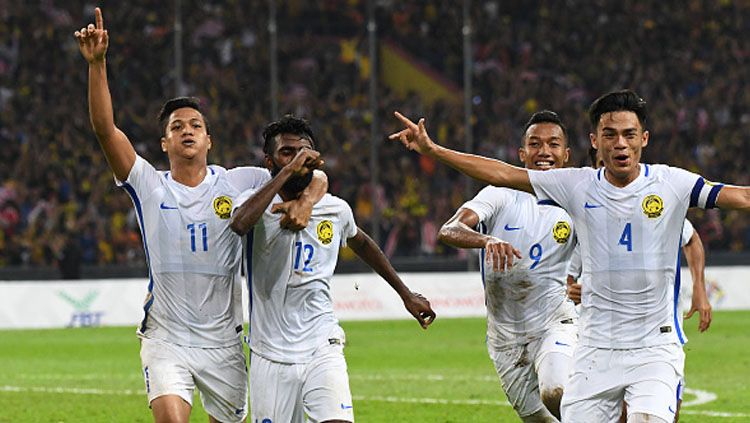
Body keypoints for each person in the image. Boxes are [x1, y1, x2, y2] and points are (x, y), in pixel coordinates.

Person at [389, 89, 750, 422]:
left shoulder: (673, 184)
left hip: (653, 344)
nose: (620, 144)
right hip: (594, 348)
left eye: (629, 134)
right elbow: (501, 173)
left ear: (644, 139)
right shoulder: (575, 185)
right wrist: (434, 150)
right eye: (610, 135)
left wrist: (699, 288)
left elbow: (741, 198)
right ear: (595, 141)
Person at [74, 9, 326, 423]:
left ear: (209, 138)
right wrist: (98, 65)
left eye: (195, 124)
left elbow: (311, 174)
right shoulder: (147, 183)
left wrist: (307, 199)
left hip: (224, 342)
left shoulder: (242, 180)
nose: (187, 130)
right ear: (164, 141)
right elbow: (105, 130)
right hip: (166, 337)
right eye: (177, 126)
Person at [230, 115, 437, 423]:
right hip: (269, 354)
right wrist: (288, 172)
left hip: (321, 344)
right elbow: (239, 224)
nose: (299, 158)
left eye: (304, 151)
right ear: (269, 161)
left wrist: (405, 294)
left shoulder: (335, 208)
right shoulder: (257, 204)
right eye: (287, 152)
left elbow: (362, 243)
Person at [437, 111, 576, 422]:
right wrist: (485, 241)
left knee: (556, 391)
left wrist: (586, 283)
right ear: (521, 153)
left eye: (553, 144)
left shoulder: (577, 202)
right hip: (505, 338)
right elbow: (449, 229)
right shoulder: (499, 194)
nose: (544, 152)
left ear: (566, 155)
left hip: (555, 322)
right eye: (535, 144)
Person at [565, 148, 711, 423]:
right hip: (604, 341)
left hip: (657, 334)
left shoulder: (656, 211)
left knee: (660, 414)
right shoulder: (585, 221)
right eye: (599, 168)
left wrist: (700, 290)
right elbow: (569, 281)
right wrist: (575, 290)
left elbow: (691, 239)